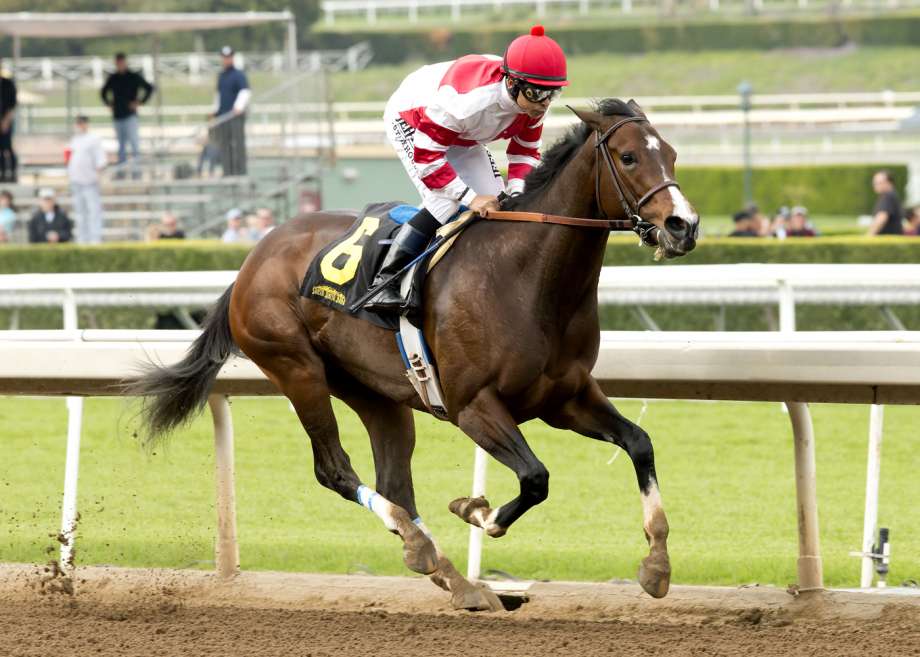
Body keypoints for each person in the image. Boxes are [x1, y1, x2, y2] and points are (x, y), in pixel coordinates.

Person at [366, 25, 568, 311]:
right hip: (415, 119)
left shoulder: (534, 103)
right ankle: (385, 281)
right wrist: (469, 198)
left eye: (552, 94)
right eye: (537, 93)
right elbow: (428, 158)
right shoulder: (468, 102)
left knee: (501, 207)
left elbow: (524, 153)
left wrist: (517, 190)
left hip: (461, 134)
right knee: (444, 202)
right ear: (512, 83)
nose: (544, 104)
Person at [100, 53, 154, 179]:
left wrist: (140, 102)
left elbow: (149, 88)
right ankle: (122, 174)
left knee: (134, 145)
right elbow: (103, 92)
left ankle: (136, 173)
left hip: (130, 116)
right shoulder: (113, 78)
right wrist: (108, 103)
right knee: (121, 147)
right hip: (118, 116)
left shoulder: (133, 77)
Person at [211, 46, 250, 177]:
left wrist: (238, 106)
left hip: (235, 116)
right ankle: (228, 171)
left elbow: (245, 91)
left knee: (238, 144)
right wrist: (215, 111)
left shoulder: (239, 75)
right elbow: (218, 94)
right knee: (225, 145)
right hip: (223, 115)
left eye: (228, 57)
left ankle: (240, 171)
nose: (226, 60)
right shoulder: (221, 76)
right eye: (224, 57)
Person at [67, 116, 108, 244]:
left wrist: (99, 174)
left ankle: (95, 239)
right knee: (80, 213)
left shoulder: (94, 139)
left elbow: (100, 159)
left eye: (82, 123)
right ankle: (82, 239)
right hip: (76, 181)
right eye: (78, 123)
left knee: (94, 211)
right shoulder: (74, 140)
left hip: (89, 182)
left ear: (86, 124)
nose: (80, 126)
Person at [867, 170, 904, 236]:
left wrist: (869, 236)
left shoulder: (887, 196)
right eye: (875, 183)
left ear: (889, 183)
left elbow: (882, 217)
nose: (875, 185)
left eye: (879, 183)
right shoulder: (892, 195)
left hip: (889, 239)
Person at [0, 57, 17, 183]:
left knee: (8, 147)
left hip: (6, 121)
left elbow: (12, 105)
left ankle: (12, 174)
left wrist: (5, 121)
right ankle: (2, 173)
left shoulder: (8, 83)